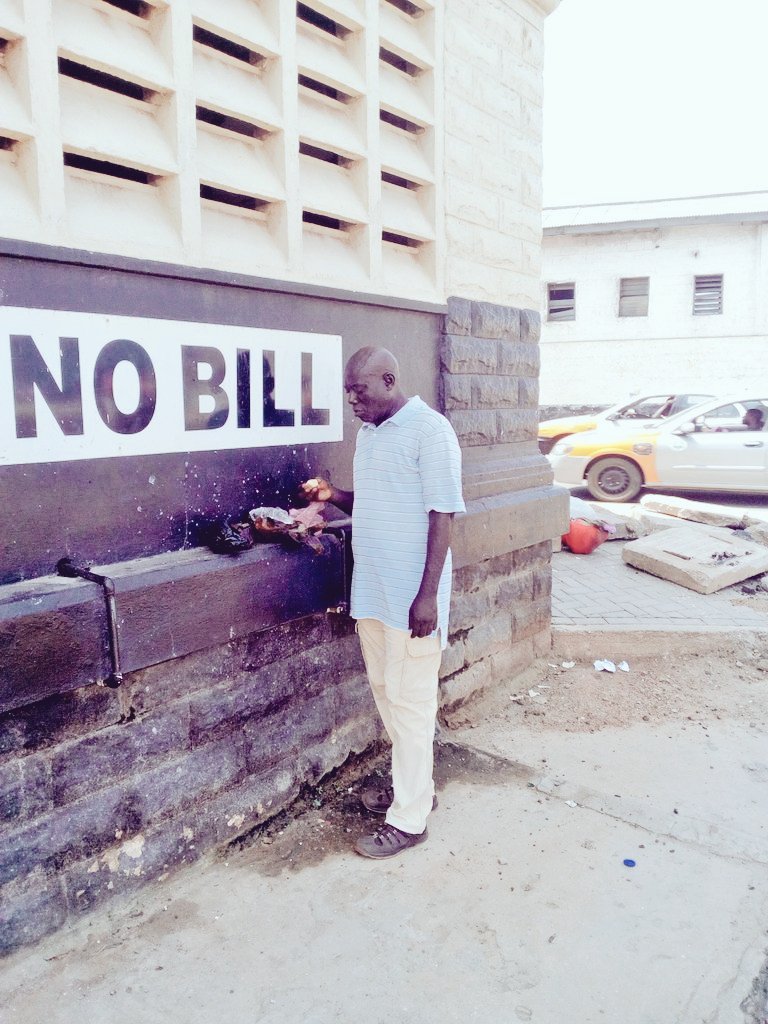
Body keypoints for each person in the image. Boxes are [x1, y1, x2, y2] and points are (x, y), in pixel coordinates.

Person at [301, 346, 465, 859]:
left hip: (413, 598)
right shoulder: (370, 434)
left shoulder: (430, 431)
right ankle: (413, 788)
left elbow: (443, 514)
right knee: (387, 694)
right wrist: (333, 497)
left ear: (389, 380)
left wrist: (427, 596)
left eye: (359, 391)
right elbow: (373, 500)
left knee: (411, 704)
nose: (352, 401)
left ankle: (410, 820)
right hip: (372, 591)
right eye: (348, 392)